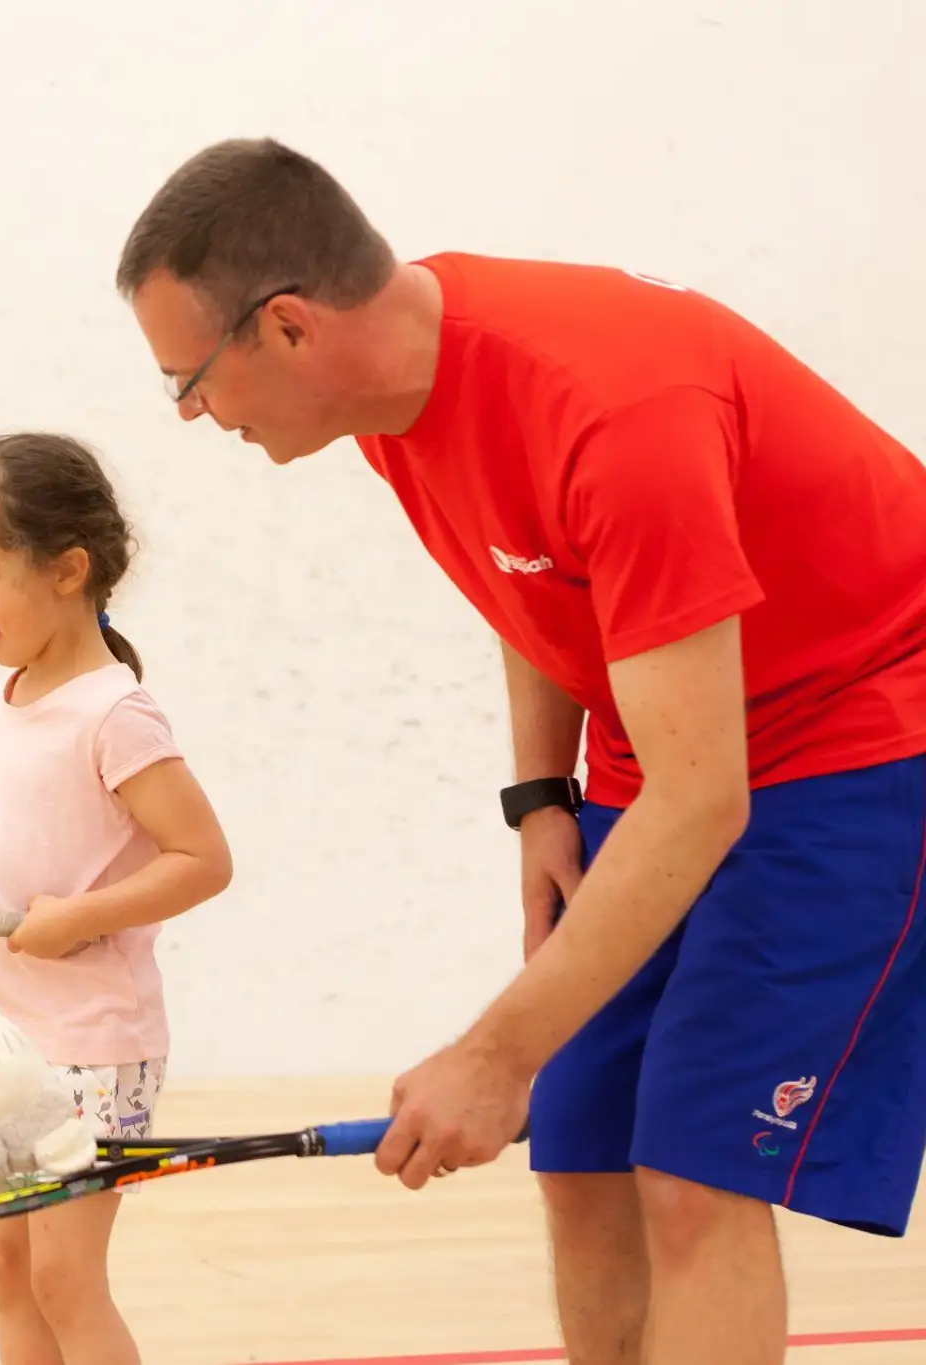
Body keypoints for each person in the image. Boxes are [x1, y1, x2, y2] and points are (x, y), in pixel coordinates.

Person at [113, 137, 926, 1365]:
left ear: (285, 327)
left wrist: (491, 1054)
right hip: (666, 746)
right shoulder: (389, 394)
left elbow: (703, 799)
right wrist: (543, 796)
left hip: (862, 729)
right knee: (584, 1153)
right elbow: (533, 585)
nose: (189, 416)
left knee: (694, 1175)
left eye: (188, 379)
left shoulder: (612, 414)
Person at [0, 431, 234, 1365]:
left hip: (95, 1046)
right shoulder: (15, 691)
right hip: (10, 1041)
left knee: (66, 1278)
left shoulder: (115, 712)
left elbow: (203, 858)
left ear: (67, 569)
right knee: (9, 1269)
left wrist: (80, 917)